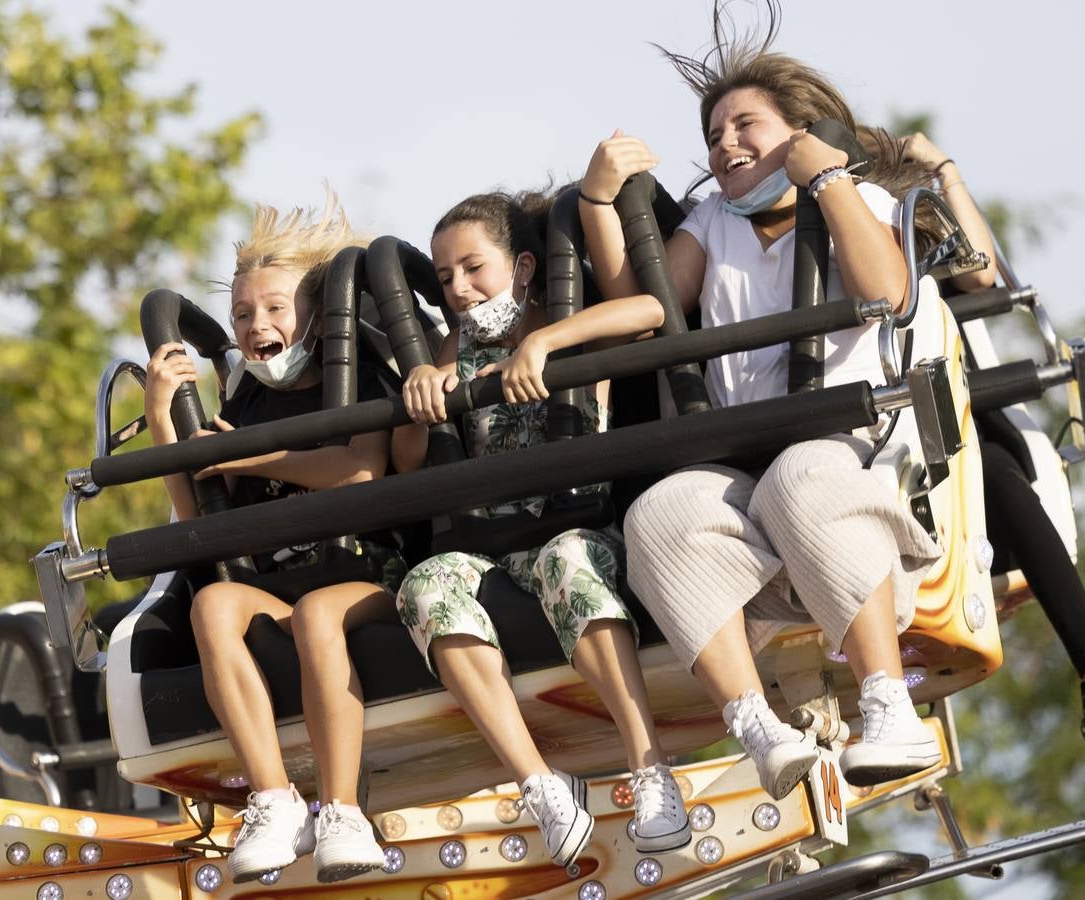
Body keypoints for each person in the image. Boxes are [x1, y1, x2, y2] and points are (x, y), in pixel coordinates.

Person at [572, 4, 945, 798]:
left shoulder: (860, 203)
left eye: (746, 125)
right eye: (713, 136)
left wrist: (831, 177)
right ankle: (756, 727)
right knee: (661, 513)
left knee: (801, 476)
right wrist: (597, 205)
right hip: (746, 461)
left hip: (849, 457)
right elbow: (648, 311)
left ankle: (889, 706)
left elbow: (887, 292)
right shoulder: (713, 222)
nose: (725, 145)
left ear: (799, 134)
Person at [390, 190, 690, 866]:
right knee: (423, 586)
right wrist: (419, 399)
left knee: (565, 563)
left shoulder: (566, 316)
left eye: (474, 269)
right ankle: (540, 785)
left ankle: (651, 770)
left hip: (576, 531)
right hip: (491, 548)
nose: (461, 291)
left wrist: (548, 342)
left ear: (522, 267)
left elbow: (649, 311)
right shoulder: (451, 345)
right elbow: (408, 461)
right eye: (445, 279)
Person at [144, 193, 405, 883]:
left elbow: (360, 469)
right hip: (272, 586)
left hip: (362, 576)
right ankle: (272, 798)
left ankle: (340, 809)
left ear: (317, 314)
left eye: (275, 309)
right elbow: (198, 504)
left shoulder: (360, 374)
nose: (257, 325)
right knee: (212, 607)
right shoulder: (242, 394)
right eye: (242, 314)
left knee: (321, 614)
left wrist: (251, 455)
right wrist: (162, 416)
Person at [900, 131, 1085, 741]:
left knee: (984, 469)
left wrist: (943, 172)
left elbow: (979, 275)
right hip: (867, 436)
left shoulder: (897, 224)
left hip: (947, 428)